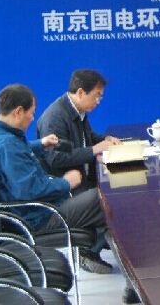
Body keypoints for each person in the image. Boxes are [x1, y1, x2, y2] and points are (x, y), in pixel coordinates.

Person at [0, 84, 141, 303]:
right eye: (31, 113)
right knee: (106, 200)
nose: (33, 119)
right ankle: (135, 281)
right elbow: (30, 190)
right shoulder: (7, 145)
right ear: (18, 111)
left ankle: (129, 279)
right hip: (38, 218)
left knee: (105, 212)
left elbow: (17, 151)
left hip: (24, 212)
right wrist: (66, 183)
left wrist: (40, 144)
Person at [36, 69, 122, 273]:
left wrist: (105, 140)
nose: (99, 101)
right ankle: (88, 251)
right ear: (81, 92)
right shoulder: (56, 117)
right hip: (65, 185)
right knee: (110, 199)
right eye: (97, 96)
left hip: (82, 176)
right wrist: (95, 150)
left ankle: (106, 241)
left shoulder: (77, 111)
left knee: (119, 188)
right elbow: (55, 158)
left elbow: (87, 137)